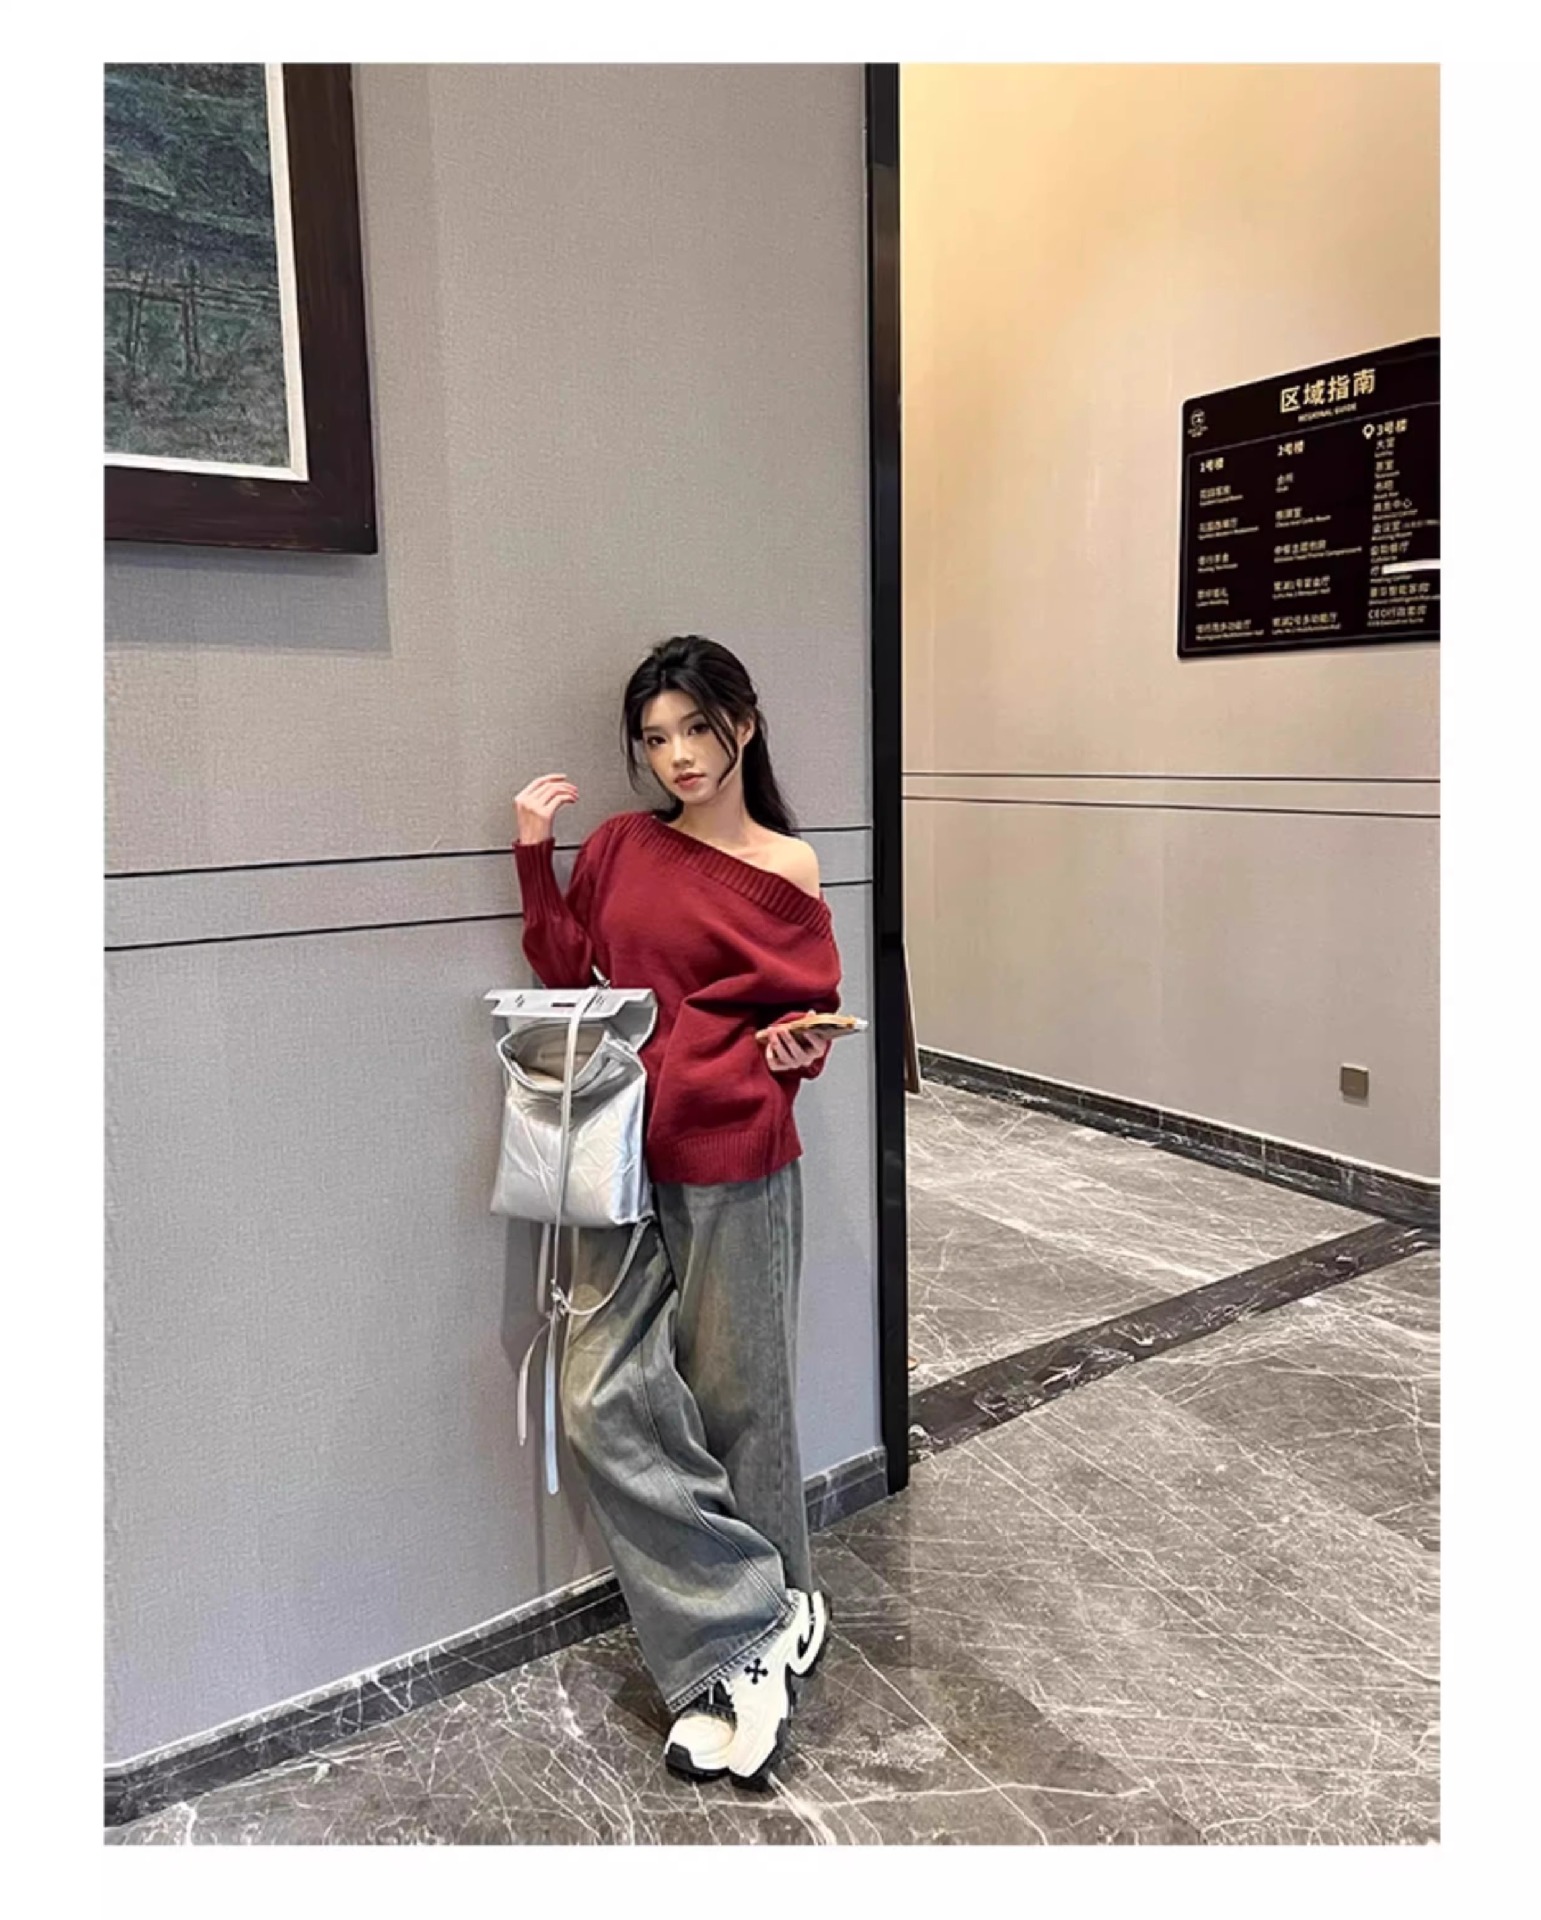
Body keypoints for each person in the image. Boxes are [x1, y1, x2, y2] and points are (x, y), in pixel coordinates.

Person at [510, 635, 845, 1791]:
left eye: (696, 729)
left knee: (740, 1399)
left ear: (742, 723)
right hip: (616, 1157)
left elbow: (805, 1014)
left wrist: (793, 1053)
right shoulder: (618, 847)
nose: (677, 756)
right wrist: (533, 854)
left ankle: (742, 1651)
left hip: (734, 1151)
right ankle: (763, 1614)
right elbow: (567, 971)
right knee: (598, 1397)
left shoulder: (787, 865)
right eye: (655, 738)